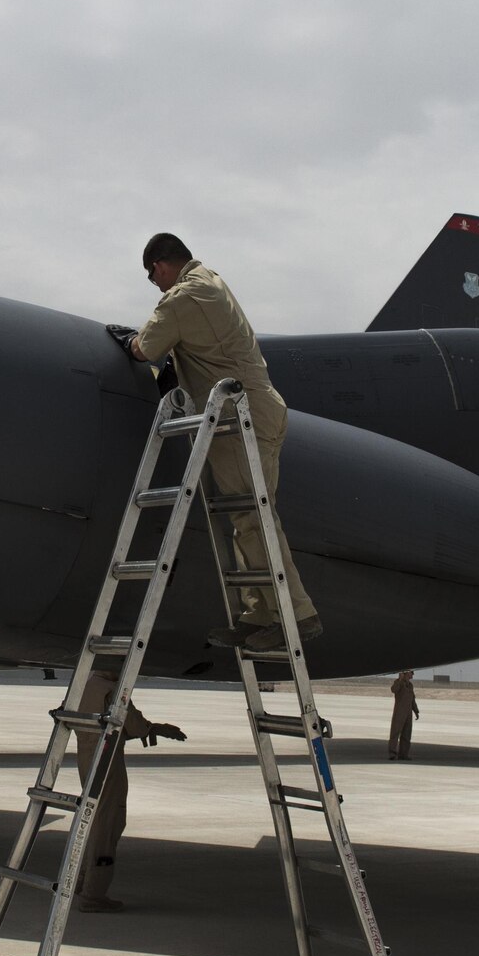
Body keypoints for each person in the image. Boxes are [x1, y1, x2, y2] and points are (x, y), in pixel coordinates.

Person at [127, 234, 317, 653]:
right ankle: (259, 613)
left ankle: (296, 615)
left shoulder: (182, 296)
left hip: (241, 417)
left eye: (152, 276)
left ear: (160, 265)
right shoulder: (211, 281)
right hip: (251, 412)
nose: (155, 284)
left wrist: (131, 341)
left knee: (253, 516)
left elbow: (145, 348)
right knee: (242, 516)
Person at [66, 670, 186, 913]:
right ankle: (93, 894)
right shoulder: (113, 688)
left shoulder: (86, 683)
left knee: (92, 818)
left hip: (86, 754)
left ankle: (81, 881)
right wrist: (156, 728)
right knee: (108, 822)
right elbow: (132, 723)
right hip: (106, 758)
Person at [388, 670, 419, 759]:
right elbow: (393, 690)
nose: (413, 674)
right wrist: (400, 679)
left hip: (408, 713)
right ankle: (392, 754)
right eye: (411, 672)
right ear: (405, 673)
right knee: (395, 733)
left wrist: (416, 710)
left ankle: (403, 754)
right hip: (399, 712)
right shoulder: (399, 683)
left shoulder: (410, 685)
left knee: (407, 734)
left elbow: (412, 699)